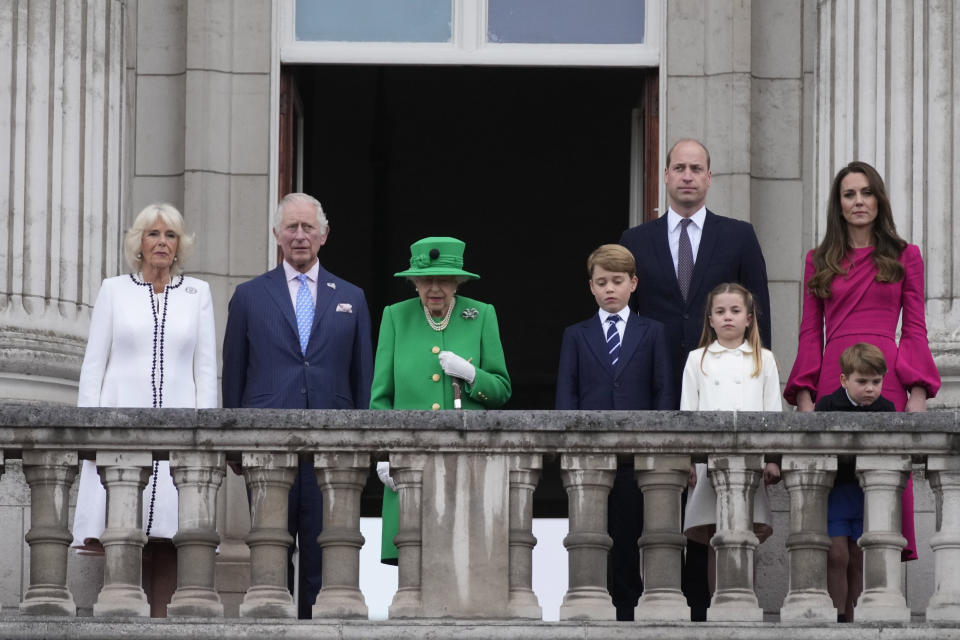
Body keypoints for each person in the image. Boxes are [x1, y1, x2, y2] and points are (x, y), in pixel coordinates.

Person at [619, 138, 772, 618]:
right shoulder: (635, 241)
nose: (687, 176)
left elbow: (760, 313)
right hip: (653, 387)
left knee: (712, 500)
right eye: (678, 168)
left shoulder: (738, 235)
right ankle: (640, 606)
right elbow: (626, 317)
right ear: (665, 176)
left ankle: (706, 609)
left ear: (709, 178)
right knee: (646, 500)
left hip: (724, 386)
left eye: (696, 168)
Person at [221, 192, 373, 619]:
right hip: (268, 448)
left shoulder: (352, 298)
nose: (300, 236)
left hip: (333, 451)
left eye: (308, 227)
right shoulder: (249, 296)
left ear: (324, 235)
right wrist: (234, 444)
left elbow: (363, 377)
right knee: (271, 553)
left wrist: (362, 443)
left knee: (326, 556)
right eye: (292, 227)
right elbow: (234, 373)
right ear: (277, 234)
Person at [784, 160, 941, 561]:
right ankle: (839, 612)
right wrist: (805, 395)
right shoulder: (817, 259)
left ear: (879, 199)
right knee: (833, 499)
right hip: (832, 383)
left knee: (883, 489)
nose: (858, 201)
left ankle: (878, 602)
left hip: (883, 380)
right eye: (849, 194)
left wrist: (918, 392)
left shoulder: (907, 256)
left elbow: (916, 329)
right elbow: (808, 331)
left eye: (866, 192)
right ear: (838, 205)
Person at [75, 202, 217, 617]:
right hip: (120, 430)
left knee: (172, 537)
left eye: (170, 235)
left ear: (179, 245)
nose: (161, 242)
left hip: (180, 434)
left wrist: (206, 435)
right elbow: (93, 366)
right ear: (139, 242)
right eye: (153, 234)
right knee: (122, 535)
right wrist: (88, 430)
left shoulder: (198, 294)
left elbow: (206, 370)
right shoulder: (114, 290)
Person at [371, 236, 511, 565]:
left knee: (466, 557)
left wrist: (472, 375)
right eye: (426, 279)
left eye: (444, 280)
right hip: (410, 460)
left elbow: (502, 389)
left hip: (466, 459)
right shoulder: (395, 317)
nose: (435, 287)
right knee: (413, 554)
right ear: (414, 282)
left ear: (458, 282)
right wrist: (382, 452)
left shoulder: (481, 315)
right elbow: (381, 397)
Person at [555, 243, 674, 620]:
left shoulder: (653, 332)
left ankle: (627, 612)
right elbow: (566, 396)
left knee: (631, 536)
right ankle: (594, 609)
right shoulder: (575, 335)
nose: (610, 289)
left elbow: (664, 393)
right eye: (602, 282)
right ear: (591, 286)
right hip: (589, 458)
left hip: (637, 458)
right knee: (590, 537)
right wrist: (567, 451)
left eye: (617, 281)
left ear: (633, 283)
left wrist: (664, 452)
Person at [680, 282, 782, 596]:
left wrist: (773, 460)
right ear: (710, 319)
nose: (728, 317)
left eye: (735, 311)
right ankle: (718, 604)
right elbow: (688, 414)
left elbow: (773, 413)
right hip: (708, 461)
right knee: (716, 536)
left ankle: (745, 601)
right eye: (720, 311)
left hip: (751, 461)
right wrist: (689, 461)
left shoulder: (764, 359)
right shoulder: (697, 359)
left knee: (744, 533)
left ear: (749, 318)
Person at [815, 343, 896, 623]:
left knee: (860, 555)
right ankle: (839, 616)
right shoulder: (827, 405)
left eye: (876, 381)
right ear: (844, 380)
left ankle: (858, 615)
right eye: (862, 382)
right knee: (837, 555)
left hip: (869, 495)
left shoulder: (886, 409)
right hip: (837, 491)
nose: (870, 388)